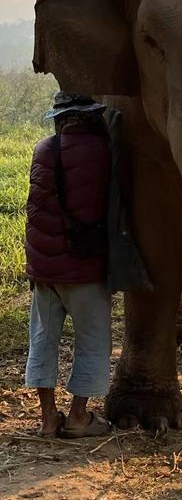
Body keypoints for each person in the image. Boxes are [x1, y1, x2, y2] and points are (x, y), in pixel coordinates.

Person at [24, 91, 113, 438]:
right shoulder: (104, 152)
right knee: (92, 340)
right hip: (86, 269)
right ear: (92, 117)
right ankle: (79, 416)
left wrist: (35, 269)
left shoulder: (43, 149)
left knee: (43, 340)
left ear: (61, 119)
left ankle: (47, 418)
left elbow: (34, 213)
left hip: (44, 272)